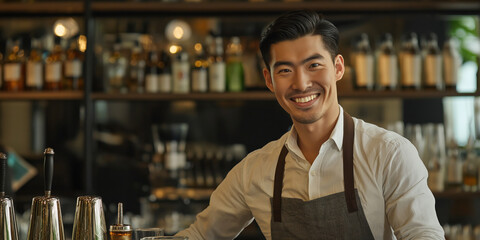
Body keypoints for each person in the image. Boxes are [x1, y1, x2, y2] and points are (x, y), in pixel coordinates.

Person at [175, 10, 444, 239]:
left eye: (314, 65)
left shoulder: (389, 153)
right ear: (269, 80)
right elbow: (199, 235)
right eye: (285, 70)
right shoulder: (254, 171)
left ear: (338, 68)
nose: (301, 83)